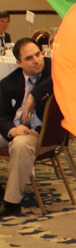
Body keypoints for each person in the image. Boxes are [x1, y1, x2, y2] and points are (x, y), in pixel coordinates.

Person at [0, 38, 53, 217]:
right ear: (19, 63)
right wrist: (11, 130)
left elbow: (66, 74)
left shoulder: (53, 69)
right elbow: (2, 115)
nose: (37, 60)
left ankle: (11, 202)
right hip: (17, 129)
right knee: (17, 138)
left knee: (21, 144)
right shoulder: (9, 83)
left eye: (38, 54)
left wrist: (34, 95)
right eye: (29, 58)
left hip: (42, 133)